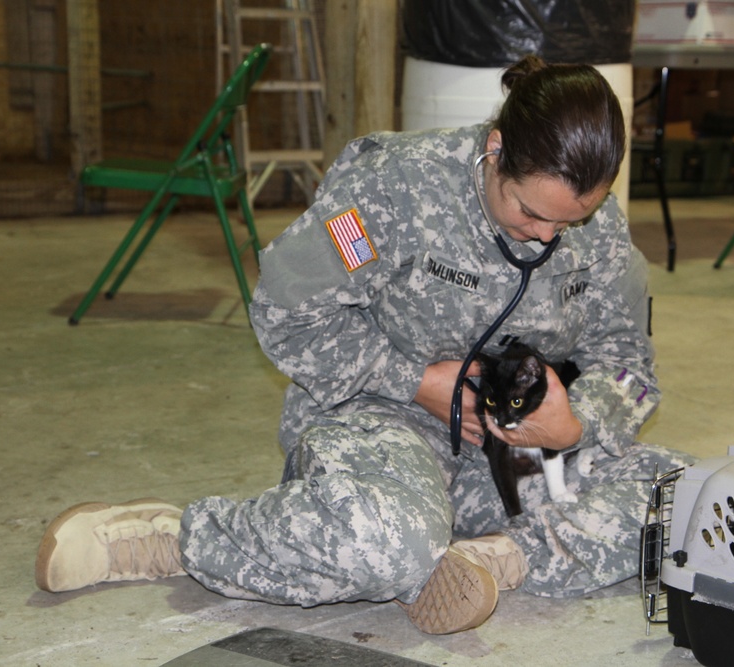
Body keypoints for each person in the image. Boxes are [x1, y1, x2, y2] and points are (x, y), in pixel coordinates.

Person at [35, 55, 694, 635]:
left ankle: (493, 561)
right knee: (389, 543)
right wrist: (413, 378)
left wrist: (576, 423)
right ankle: (172, 540)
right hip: (383, 419)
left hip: (510, 454)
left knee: (685, 495)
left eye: (571, 219)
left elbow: (630, 368)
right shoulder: (396, 186)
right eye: (531, 212)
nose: (549, 237)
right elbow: (287, 310)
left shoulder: (597, 225)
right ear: (496, 149)